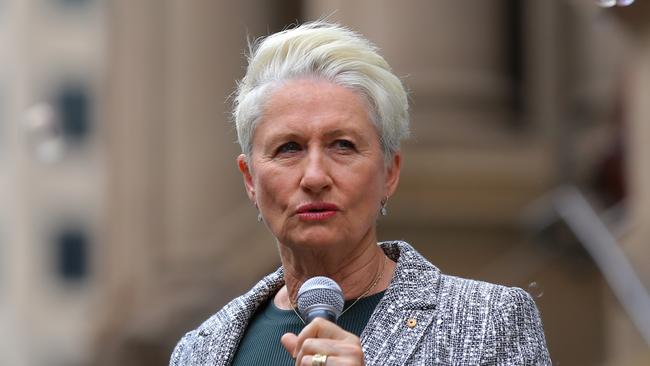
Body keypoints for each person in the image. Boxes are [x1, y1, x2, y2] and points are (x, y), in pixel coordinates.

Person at [170, 21, 551, 366]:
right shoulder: (200, 351)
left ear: (389, 173)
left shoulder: (491, 321)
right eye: (289, 148)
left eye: (342, 145)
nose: (315, 176)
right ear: (250, 179)